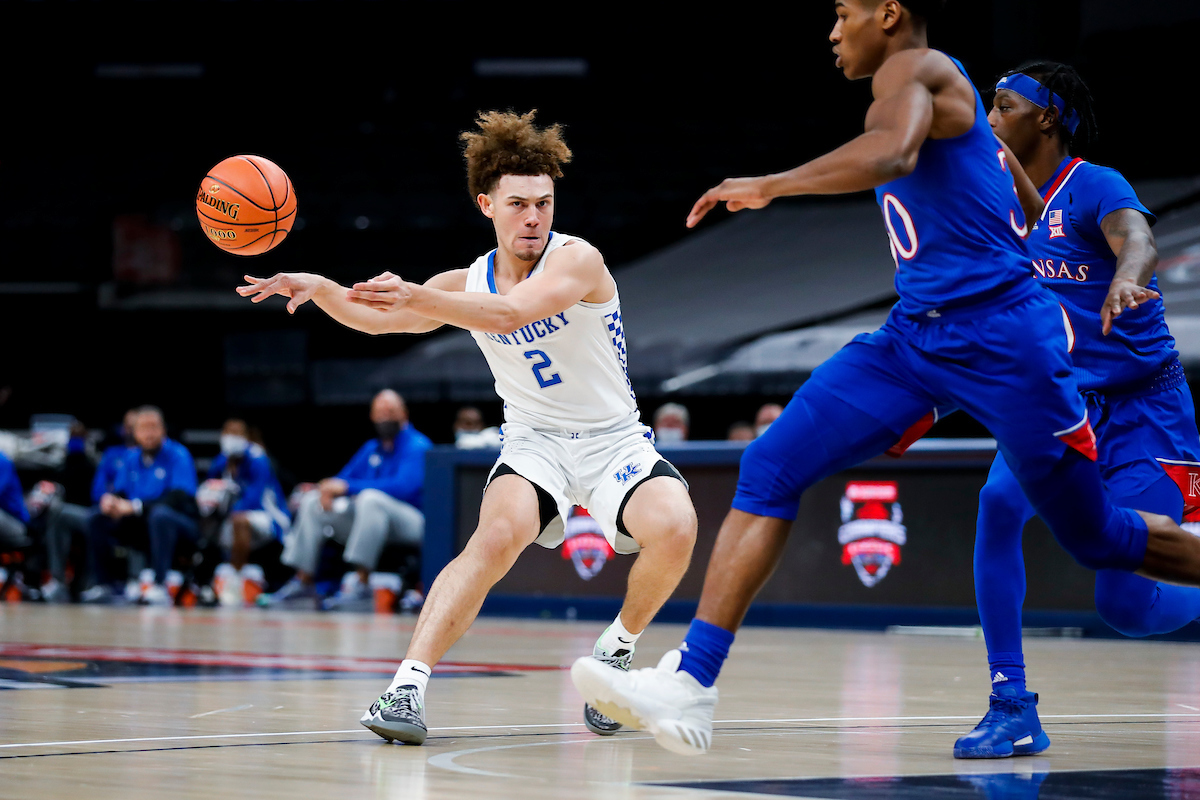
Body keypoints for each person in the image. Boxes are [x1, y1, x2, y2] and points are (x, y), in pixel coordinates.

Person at [568, 0, 1200, 756]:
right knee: (771, 463)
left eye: (843, 13)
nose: (833, 32)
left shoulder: (915, 69)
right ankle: (692, 682)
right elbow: (1015, 195)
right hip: (917, 336)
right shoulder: (955, 109)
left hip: (1014, 348)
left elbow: (892, 157)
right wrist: (1009, 199)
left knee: (1103, 547)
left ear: (889, 14)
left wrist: (771, 184)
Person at [239, 109, 698, 746]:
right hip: (534, 442)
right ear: (487, 204)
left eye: (544, 202)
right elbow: (382, 321)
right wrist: (322, 288)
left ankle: (615, 653)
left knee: (676, 526)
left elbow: (508, 314)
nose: (534, 216)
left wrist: (418, 297)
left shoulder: (579, 260)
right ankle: (406, 688)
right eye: (518, 204)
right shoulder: (465, 282)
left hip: (612, 439)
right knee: (493, 541)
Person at [952, 61, 1200, 759]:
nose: (989, 118)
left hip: (1145, 407)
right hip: (1058, 402)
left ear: (1047, 117)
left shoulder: (1094, 184)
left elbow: (1139, 240)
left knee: (1125, 608)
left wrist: (1126, 278)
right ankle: (1011, 704)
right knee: (998, 506)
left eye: (1002, 106)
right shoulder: (994, 203)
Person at [261, 389, 429, 608]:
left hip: (412, 521)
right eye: (379, 412)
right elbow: (343, 479)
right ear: (372, 416)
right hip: (371, 520)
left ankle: (361, 584)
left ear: (403, 414)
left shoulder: (417, 445)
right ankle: (303, 582)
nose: (384, 417)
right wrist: (325, 487)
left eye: (390, 411)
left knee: (370, 498)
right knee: (313, 501)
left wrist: (347, 487)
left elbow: (404, 488)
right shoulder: (371, 448)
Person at [83, 406, 198, 605]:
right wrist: (111, 501)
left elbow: (177, 498)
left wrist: (136, 507)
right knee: (98, 517)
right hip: (141, 523)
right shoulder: (130, 458)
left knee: (160, 515)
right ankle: (104, 584)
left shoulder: (178, 454)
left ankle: (160, 585)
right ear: (135, 433)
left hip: (179, 524)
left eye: (154, 427)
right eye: (143, 428)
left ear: (163, 430)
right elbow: (121, 491)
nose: (149, 433)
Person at [201, 418, 290, 606]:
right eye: (228, 434)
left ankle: (235, 579)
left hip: (268, 517)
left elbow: (254, 499)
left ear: (245, 438)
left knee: (239, 520)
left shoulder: (258, 459)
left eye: (237, 434)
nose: (231, 439)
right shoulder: (222, 461)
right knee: (206, 520)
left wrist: (228, 510)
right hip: (233, 516)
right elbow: (210, 487)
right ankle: (203, 583)